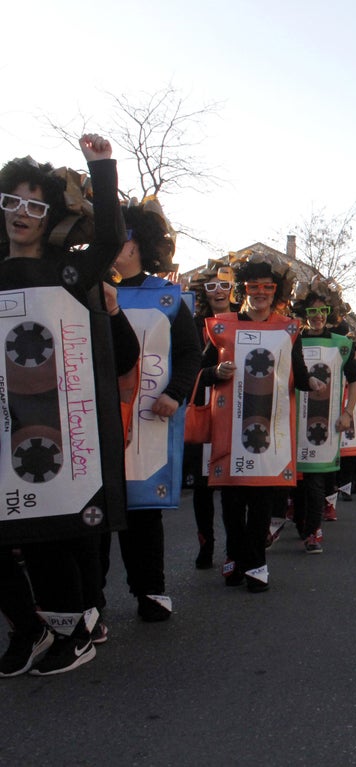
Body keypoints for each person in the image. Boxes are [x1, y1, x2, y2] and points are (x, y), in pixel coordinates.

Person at [0, 135, 137, 676]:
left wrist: (101, 170)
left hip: (54, 426)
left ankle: (70, 633)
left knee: (46, 534)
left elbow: (109, 237)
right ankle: (29, 628)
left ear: (50, 215)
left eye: (35, 205)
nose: (21, 213)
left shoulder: (70, 272)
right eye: (12, 201)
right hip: (4, 417)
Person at [200, 253, 323, 592]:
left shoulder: (287, 328)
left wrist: (310, 382)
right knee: (231, 502)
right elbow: (201, 370)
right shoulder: (224, 325)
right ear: (245, 289)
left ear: (276, 291)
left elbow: (297, 375)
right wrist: (215, 371)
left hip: (268, 430)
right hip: (230, 428)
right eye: (254, 287)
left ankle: (256, 564)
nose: (260, 293)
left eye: (267, 287)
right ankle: (235, 555)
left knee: (260, 502)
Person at [102, 198, 200, 620]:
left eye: (120, 239)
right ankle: (91, 601)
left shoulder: (168, 298)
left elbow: (190, 353)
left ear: (138, 243)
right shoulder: (85, 290)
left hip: (149, 418)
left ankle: (151, 589)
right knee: (96, 512)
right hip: (99, 418)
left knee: (142, 510)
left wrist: (176, 394)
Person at [290, 281, 356, 554]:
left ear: (330, 313)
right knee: (296, 480)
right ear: (303, 312)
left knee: (317, 479)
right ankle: (300, 523)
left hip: (326, 422)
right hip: (293, 420)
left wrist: (347, 412)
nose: (317, 316)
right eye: (312, 311)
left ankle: (313, 532)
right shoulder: (292, 338)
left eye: (323, 310)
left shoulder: (342, 345)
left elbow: (354, 380)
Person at [186, 259, 238, 568]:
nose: (217, 291)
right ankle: (206, 544)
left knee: (232, 485)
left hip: (236, 407)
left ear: (233, 290)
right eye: (211, 286)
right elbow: (187, 368)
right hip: (204, 408)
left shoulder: (243, 321)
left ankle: (235, 549)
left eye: (224, 285)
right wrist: (210, 372)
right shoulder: (192, 324)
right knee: (202, 486)